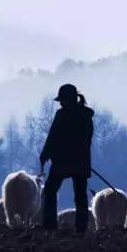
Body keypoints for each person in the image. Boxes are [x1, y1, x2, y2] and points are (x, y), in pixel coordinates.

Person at [39, 84, 94, 232]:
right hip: (80, 161)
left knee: (50, 190)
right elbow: (86, 140)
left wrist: (46, 154)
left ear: (69, 99)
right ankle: (81, 228)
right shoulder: (86, 116)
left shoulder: (62, 115)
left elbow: (52, 137)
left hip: (62, 161)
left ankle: (50, 226)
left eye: (62, 100)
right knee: (80, 195)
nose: (61, 103)